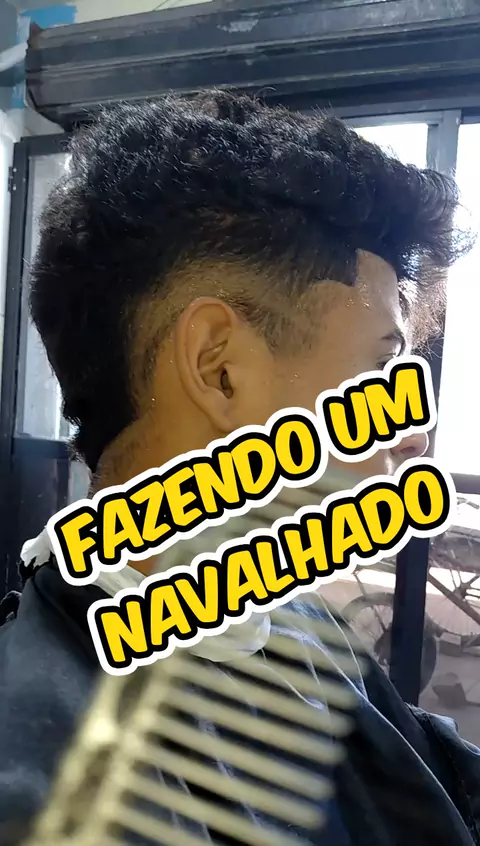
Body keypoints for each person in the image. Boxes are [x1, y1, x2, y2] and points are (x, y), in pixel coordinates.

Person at [0, 91, 479, 846]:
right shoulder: (44, 793)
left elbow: (428, 767)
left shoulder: (282, 615)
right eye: (380, 372)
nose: (411, 435)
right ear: (219, 369)